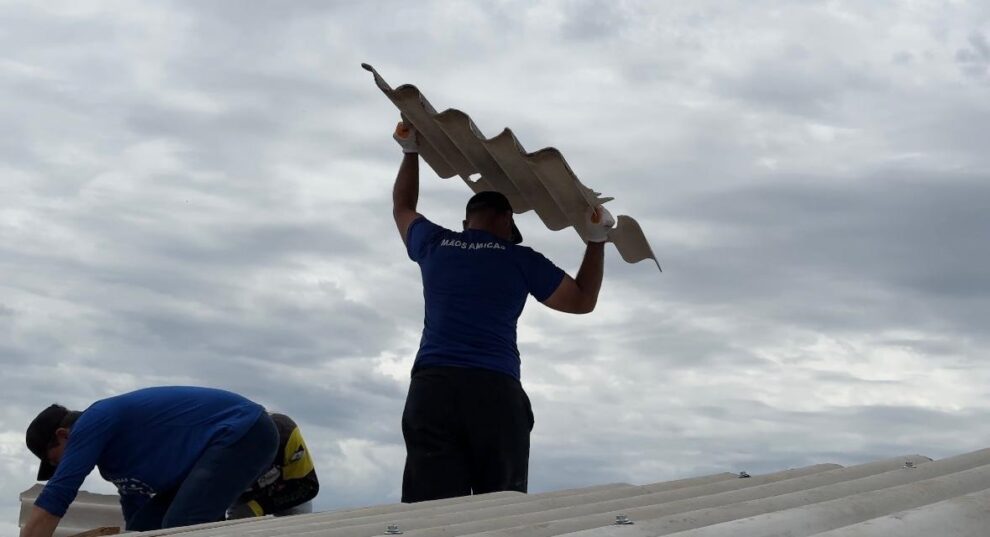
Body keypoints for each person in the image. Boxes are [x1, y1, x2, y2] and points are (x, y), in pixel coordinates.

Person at [390, 121, 614, 502]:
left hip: (434, 390)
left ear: (467, 221)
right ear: (507, 223)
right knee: (501, 514)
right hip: (494, 393)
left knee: (430, 516)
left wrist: (410, 151)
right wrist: (596, 241)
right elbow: (582, 301)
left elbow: (403, 207)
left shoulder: (435, 243)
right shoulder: (521, 259)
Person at [20, 386, 278, 537]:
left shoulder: (94, 420)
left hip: (244, 431)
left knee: (181, 525)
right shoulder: (112, 464)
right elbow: (137, 517)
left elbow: (59, 494)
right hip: (208, 453)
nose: (59, 469)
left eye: (55, 462)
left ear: (63, 435)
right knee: (147, 530)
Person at [227, 412, 320, 519]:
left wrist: (258, 506)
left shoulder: (288, 434)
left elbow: (308, 487)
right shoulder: (220, 452)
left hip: (287, 488)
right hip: (243, 494)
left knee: (299, 523)